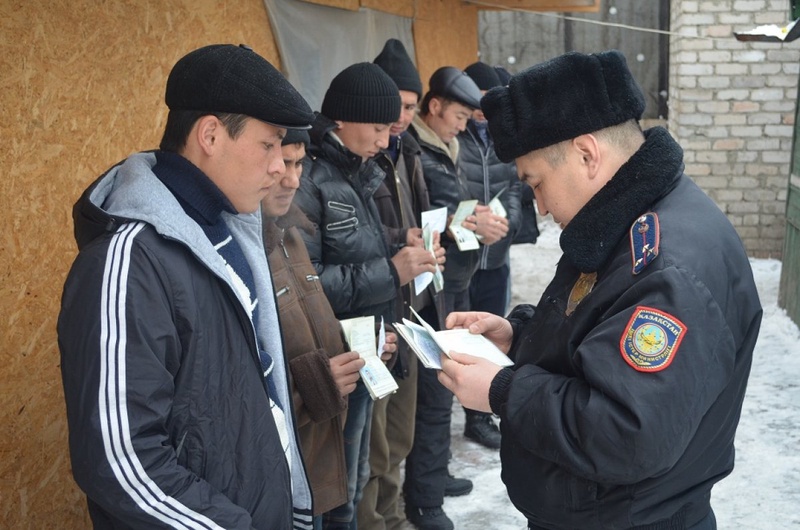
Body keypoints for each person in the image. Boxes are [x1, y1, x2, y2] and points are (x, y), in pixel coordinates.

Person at [438, 50, 763, 530]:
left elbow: (627, 431)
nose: (541, 206)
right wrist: (517, 337)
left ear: (587, 154)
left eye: (536, 183)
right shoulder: (626, 219)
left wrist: (504, 391)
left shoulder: (666, 265)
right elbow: (595, 329)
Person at [58, 44, 318, 529]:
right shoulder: (129, 262)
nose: (281, 167)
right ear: (211, 135)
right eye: (269, 145)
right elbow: (120, 460)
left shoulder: (229, 230)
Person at [293, 62, 440, 530]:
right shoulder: (308, 179)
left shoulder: (356, 169)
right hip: (329, 359)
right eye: (378, 128)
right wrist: (392, 270)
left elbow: (352, 241)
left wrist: (400, 240)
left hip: (363, 349)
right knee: (337, 491)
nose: (385, 141)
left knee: (354, 479)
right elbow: (308, 282)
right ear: (343, 121)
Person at [360, 39, 454, 530]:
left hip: (410, 302)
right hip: (374, 308)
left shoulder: (407, 148)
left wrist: (425, 242)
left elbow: (416, 215)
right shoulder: (358, 158)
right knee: (372, 442)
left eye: (410, 107)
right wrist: (401, 241)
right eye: (394, 106)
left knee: (399, 433)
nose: (400, 117)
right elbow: (354, 236)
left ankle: (394, 515)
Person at [262, 129, 370, 529]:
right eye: (282, 164)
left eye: (298, 163)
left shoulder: (291, 233)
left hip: (319, 452)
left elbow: (309, 323)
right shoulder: (244, 248)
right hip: (285, 472)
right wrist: (317, 385)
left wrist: (358, 345)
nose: (292, 179)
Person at [402, 66, 486, 530]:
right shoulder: (412, 147)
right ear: (433, 108)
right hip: (422, 284)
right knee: (432, 392)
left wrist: (472, 223)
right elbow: (421, 216)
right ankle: (424, 499)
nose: (463, 124)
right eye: (457, 115)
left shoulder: (450, 145)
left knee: (442, 386)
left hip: (450, 278)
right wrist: (457, 226)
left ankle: (432, 476)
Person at [457, 61, 522, 451]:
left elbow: (514, 187)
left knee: (489, 339)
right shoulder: (454, 136)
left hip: (495, 257)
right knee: (460, 335)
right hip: (463, 258)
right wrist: (471, 221)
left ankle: (479, 417)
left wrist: (508, 223)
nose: (482, 109)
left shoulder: (502, 137)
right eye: (477, 100)